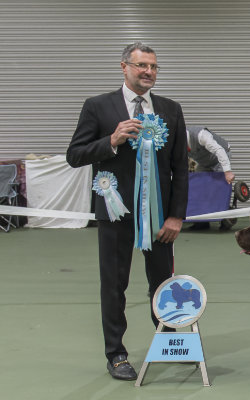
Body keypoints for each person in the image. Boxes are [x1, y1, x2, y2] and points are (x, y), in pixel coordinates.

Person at [66, 42, 189, 381]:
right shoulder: (97, 107)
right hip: (115, 212)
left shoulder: (171, 109)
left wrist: (176, 215)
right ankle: (116, 355)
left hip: (160, 216)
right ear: (124, 67)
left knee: (163, 283)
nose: (148, 72)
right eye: (141, 66)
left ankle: (167, 342)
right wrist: (112, 140)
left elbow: (180, 167)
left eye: (153, 66)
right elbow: (74, 154)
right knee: (114, 285)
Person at [186, 125, 235, 230]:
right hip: (203, 161)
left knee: (220, 187)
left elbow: (219, 150)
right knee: (199, 187)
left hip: (220, 156)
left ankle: (224, 220)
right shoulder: (178, 142)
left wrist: (227, 172)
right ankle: (202, 222)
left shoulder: (201, 134)